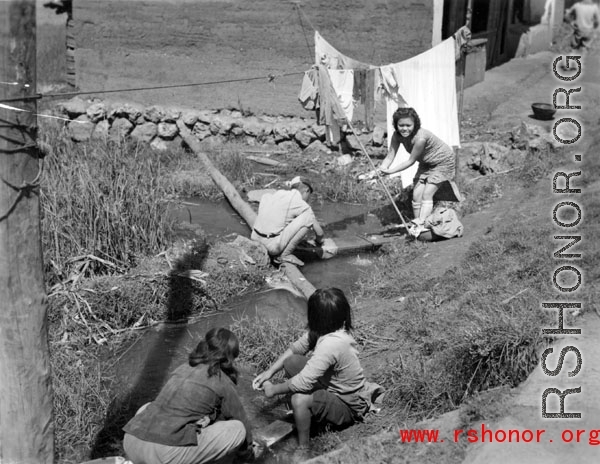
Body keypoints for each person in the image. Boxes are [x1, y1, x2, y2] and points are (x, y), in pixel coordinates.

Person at [252, 288, 383, 461]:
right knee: (291, 362)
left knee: (299, 399)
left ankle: (303, 446)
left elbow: (304, 382)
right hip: (332, 388)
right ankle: (308, 411)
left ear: (315, 317)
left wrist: (273, 389)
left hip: (348, 405)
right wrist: (269, 372)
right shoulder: (328, 328)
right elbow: (297, 348)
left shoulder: (331, 344)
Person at [123, 328, 260, 464]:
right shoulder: (221, 380)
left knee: (148, 407)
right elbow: (242, 421)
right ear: (228, 359)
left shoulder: (183, 368)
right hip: (163, 456)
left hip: (131, 441)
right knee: (237, 429)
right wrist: (248, 454)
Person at [377, 107, 455, 237]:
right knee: (416, 195)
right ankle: (418, 225)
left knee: (427, 193)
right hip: (426, 162)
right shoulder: (396, 136)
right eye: (401, 125)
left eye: (408, 125)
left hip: (443, 162)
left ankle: (422, 224)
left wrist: (390, 171)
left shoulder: (420, 138)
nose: (405, 129)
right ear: (396, 125)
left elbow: (410, 161)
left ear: (415, 125)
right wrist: (382, 168)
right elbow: (390, 155)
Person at [251, 177, 325, 267]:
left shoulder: (279, 193)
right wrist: (319, 242)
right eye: (309, 195)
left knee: (269, 201)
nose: (308, 199)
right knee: (308, 217)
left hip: (254, 237)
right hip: (271, 246)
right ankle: (285, 255)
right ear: (307, 190)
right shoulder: (300, 202)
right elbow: (320, 233)